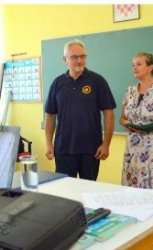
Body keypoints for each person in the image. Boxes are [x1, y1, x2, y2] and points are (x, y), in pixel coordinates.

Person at [44, 40, 116, 181]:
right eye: (74, 57)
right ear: (65, 60)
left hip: (91, 150)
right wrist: (48, 143)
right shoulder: (57, 83)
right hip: (63, 149)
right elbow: (50, 115)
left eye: (82, 56)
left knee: (88, 192)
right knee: (66, 194)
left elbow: (108, 113)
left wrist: (106, 144)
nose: (79, 60)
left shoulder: (98, 81)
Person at [119, 52, 153, 190]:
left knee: (151, 189)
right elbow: (122, 118)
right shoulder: (130, 91)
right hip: (132, 149)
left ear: (150, 67)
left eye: (138, 64)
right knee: (131, 189)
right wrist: (129, 125)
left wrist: (148, 129)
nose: (134, 68)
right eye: (133, 65)